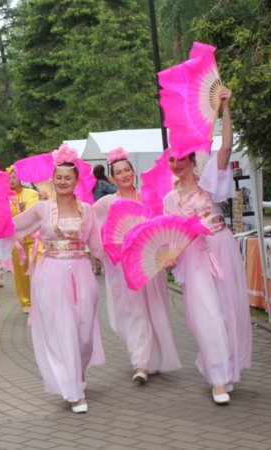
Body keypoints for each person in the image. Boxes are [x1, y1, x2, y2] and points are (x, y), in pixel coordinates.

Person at [163, 86, 252, 405]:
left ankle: (226, 368)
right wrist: (169, 258)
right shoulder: (169, 199)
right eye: (171, 160)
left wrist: (225, 107)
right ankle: (217, 379)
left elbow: (226, 146)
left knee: (228, 311)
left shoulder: (209, 182)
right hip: (194, 257)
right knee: (207, 316)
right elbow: (169, 236)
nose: (175, 164)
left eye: (180, 159)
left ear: (190, 158)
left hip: (221, 246)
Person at [12, 146, 106, 414]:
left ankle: (79, 367)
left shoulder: (86, 209)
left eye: (68, 178)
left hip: (82, 273)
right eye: (59, 177)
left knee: (84, 331)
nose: (63, 182)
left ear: (77, 181)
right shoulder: (42, 209)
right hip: (51, 274)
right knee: (62, 329)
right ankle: (74, 390)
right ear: (53, 179)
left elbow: (97, 246)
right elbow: (11, 226)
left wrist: (123, 254)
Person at [92, 149, 181, 383]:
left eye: (127, 170)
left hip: (150, 263)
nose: (123, 175)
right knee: (132, 313)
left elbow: (162, 227)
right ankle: (140, 363)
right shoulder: (107, 203)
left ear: (134, 172)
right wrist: (106, 249)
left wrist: (167, 253)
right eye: (118, 172)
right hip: (123, 266)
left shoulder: (148, 198)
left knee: (154, 309)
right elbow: (88, 221)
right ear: (111, 178)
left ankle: (153, 359)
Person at [7, 166, 39, 313]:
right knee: (20, 273)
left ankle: (39, 299)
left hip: (33, 238)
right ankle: (26, 302)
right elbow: (5, 219)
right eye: (9, 178)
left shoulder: (32, 193)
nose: (11, 180)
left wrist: (27, 206)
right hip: (16, 241)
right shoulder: (5, 197)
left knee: (37, 270)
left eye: (14, 177)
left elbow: (39, 212)